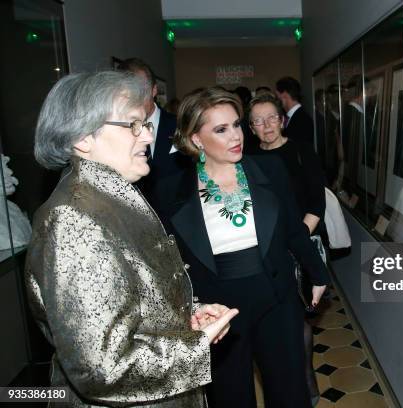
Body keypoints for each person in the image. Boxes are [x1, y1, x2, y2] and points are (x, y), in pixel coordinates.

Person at [26, 71, 238, 407]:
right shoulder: (74, 220)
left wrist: (188, 317)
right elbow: (100, 368)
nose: (146, 137)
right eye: (133, 126)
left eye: (146, 125)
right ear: (83, 138)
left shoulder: (110, 199)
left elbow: (130, 302)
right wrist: (194, 346)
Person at [148, 88, 330, 408]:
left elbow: (291, 228)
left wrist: (317, 272)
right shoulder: (171, 191)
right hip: (218, 312)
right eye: (221, 129)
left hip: (276, 296)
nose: (236, 136)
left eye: (236, 125)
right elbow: (166, 263)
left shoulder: (270, 169)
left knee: (290, 394)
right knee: (231, 398)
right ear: (196, 140)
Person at [248, 93, 326, 406]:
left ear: (282, 120)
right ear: (250, 128)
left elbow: (316, 205)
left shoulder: (301, 152)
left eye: (270, 118)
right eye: (257, 120)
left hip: (301, 246)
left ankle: (306, 378)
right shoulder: (247, 158)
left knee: (300, 320)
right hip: (263, 253)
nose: (265, 125)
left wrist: (294, 241)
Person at [116, 58, 182, 199]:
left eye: (141, 90)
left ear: (154, 90)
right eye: (128, 92)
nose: (136, 98)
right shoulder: (114, 132)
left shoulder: (181, 126)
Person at [275, 76, 314, 144]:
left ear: (284, 95)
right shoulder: (288, 117)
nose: (276, 100)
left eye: (277, 95)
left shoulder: (303, 120)